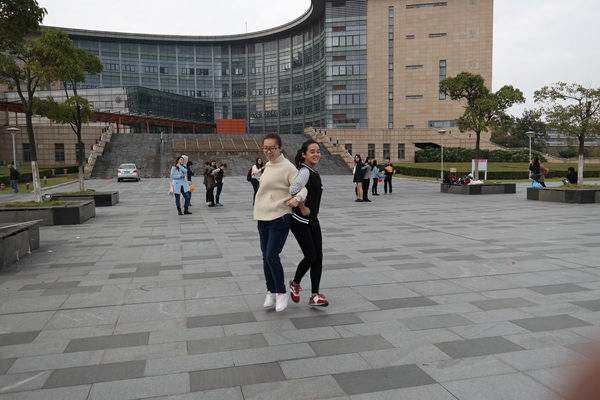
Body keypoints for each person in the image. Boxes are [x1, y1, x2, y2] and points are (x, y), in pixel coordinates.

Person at [254, 133, 307, 312]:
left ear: (280, 148)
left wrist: (297, 199)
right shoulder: (268, 166)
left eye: (272, 148)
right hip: (262, 216)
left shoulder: (288, 167)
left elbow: (303, 188)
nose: (268, 152)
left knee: (271, 256)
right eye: (266, 148)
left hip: (280, 216)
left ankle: (281, 292)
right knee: (265, 258)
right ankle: (270, 290)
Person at [288, 140, 328, 307]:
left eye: (318, 151)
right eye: (312, 151)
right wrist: (302, 206)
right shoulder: (304, 171)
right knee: (311, 256)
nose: (316, 154)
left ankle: (315, 296)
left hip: (312, 220)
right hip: (299, 220)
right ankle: (295, 283)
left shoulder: (313, 172)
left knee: (318, 257)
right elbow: (293, 189)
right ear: (304, 154)